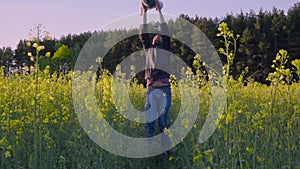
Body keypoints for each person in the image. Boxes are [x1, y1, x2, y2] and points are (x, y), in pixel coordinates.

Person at [139, 1, 171, 158]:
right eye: (155, 35)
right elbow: (143, 33)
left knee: (163, 124)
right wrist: (144, 13)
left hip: (163, 89)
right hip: (152, 90)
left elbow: (164, 29)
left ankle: (165, 156)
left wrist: (159, 11)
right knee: (150, 124)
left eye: (160, 36)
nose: (158, 35)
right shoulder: (149, 50)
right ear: (152, 41)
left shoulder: (166, 49)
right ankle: (150, 155)